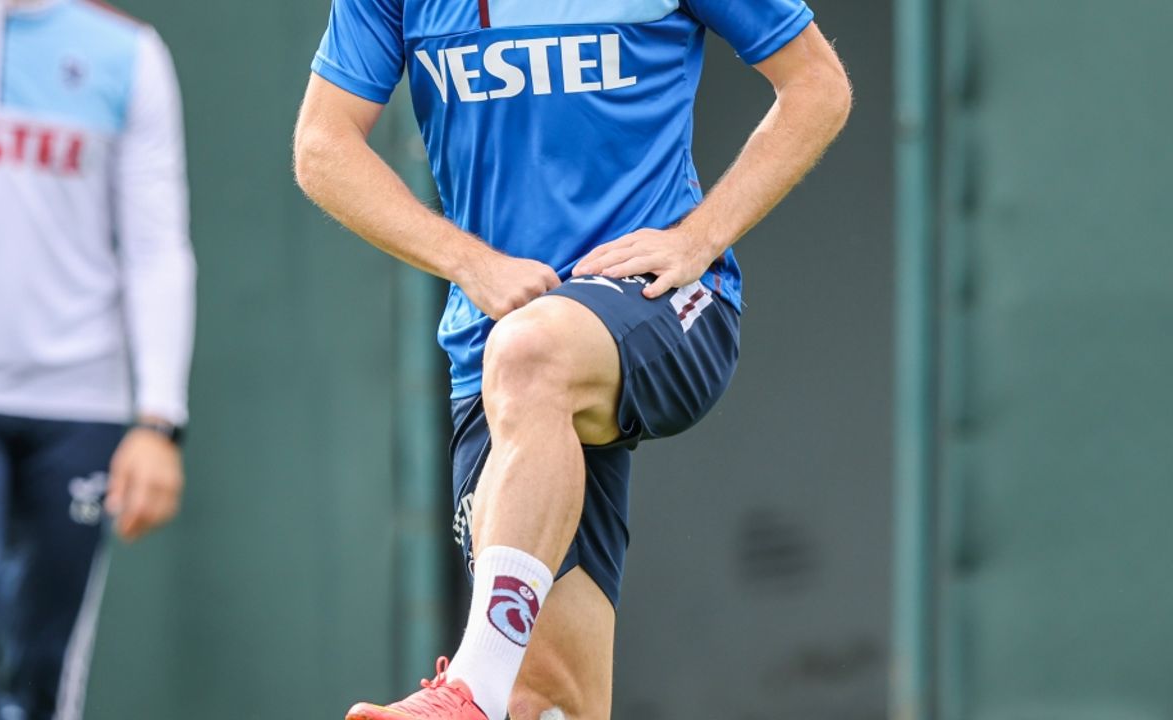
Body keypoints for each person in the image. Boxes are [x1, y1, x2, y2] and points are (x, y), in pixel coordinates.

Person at [295, 0, 850, 717]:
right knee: (546, 695)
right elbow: (322, 145)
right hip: (494, 345)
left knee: (532, 352)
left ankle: (468, 691)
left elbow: (816, 83)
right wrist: (470, 262)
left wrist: (699, 236)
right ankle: (491, 690)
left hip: (661, 300)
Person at [0, 0, 195, 717]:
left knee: (45, 657)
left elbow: (156, 246)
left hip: (80, 403)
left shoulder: (129, 55)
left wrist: (158, 422)